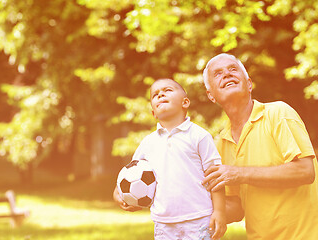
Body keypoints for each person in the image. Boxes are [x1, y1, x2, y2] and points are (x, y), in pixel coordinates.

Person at [201, 53, 318, 240]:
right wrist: (188, 206)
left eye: (233, 69)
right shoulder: (220, 144)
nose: (227, 74)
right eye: (218, 73)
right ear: (211, 96)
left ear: (249, 84)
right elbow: (237, 207)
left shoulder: (278, 113)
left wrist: (238, 173)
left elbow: (305, 171)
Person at [113, 78, 227, 240]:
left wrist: (219, 211)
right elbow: (131, 174)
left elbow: (215, 176)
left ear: (185, 102)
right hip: (164, 223)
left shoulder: (199, 136)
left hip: (199, 218)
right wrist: (118, 193)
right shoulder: (148, 143)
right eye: (155, 95)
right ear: (153, 113)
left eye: (167, 90)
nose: (160, 94)